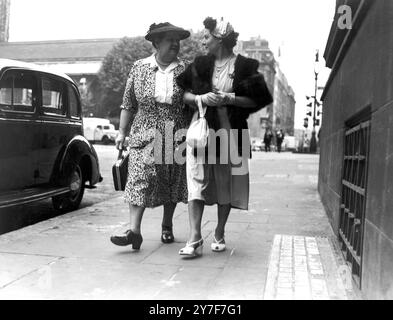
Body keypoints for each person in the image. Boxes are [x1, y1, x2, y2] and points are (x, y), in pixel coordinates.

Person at [176, 17, 273, 257]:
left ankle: (219, 231)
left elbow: (256, 100)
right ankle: (195, 236)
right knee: (195, 181)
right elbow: (184, 94)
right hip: (202, 131)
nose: (203, 41)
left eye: (207, 37)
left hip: (231, 132)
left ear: (220, 39)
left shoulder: (245, 67)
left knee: (225, 184)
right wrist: (201, 98)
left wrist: (230, 98)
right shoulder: (199, 64)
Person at [110, 22, 191, 250]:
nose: (175, 44)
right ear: (156, 44)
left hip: (174, 129)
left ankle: (167, 225)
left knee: (170, 178)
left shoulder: (185, 69)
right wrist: (122, 132)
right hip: (144, 128)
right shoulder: (139, 67)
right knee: (139, 177)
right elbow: (128, 103)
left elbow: (193, 103)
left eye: (177, 40)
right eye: (170, 40)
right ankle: (134, 232)